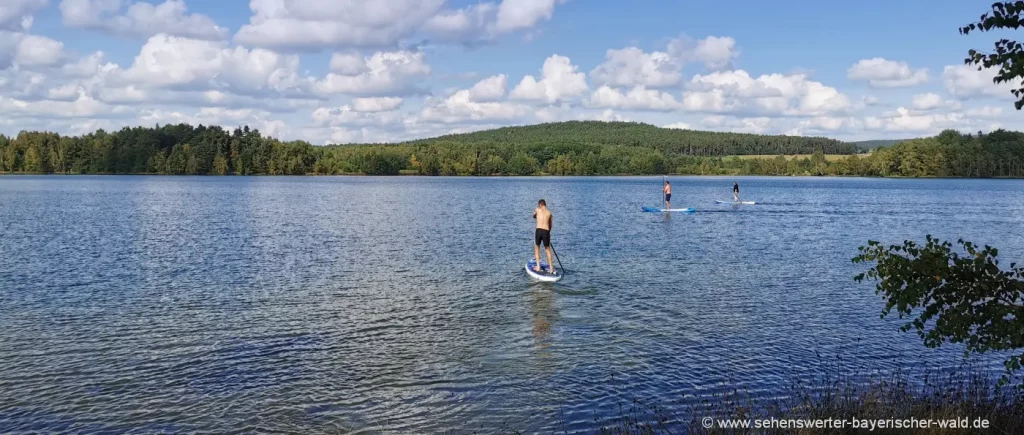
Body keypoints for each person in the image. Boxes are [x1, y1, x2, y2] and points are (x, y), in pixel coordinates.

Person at [532, 199, 555, 273]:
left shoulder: (537, 210)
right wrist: (548, 233)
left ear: (540, 205)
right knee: (547, 250)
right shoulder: (549, 213)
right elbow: (550, 225)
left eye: (538, 205)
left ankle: (538, 267)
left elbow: (533, 216)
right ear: (545, 204)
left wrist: (535, 214)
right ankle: (551, 268)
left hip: (538, 230)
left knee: (537, 248)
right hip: (546, 231)